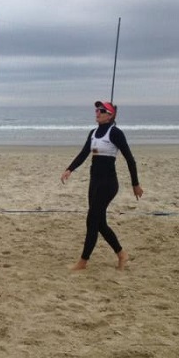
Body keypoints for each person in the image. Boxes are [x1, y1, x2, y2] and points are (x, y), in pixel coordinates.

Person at [60, 101, 144, 271]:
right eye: (97, 109)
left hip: (108, 184)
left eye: (101, 110)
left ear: (110, 115)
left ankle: (83, 262)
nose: (97, 112)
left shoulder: (115, 133)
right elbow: (84, 153)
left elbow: (130, 159)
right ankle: (121, 254)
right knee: (99, 223)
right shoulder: (94, 132)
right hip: (94, 182)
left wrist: (135, 184)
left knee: (92, 220)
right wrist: (70, 169)